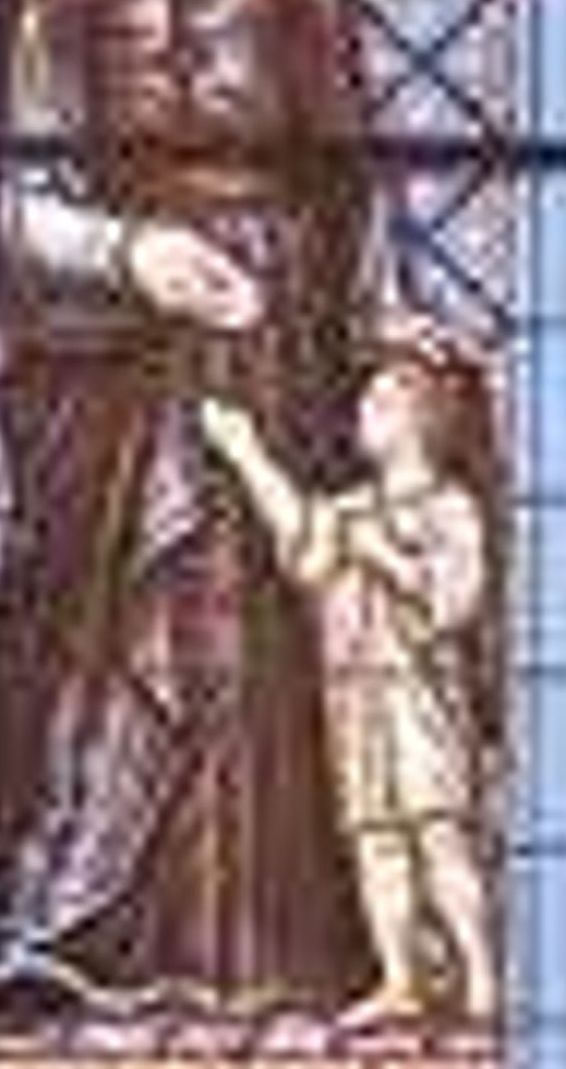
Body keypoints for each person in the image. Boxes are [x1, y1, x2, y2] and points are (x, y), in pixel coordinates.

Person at [0, 0, 388, 1035]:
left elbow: (346, 141)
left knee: (268, 614)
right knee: (136, 613)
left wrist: (369, 317)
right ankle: (76, 931)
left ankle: (280, 960)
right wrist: (134, 255)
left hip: (274, 312)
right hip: (113, 344)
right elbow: (11, 200)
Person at [200, 329, 505, 1032]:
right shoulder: (348, 508)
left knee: (440, 835)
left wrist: (382, 555)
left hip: (419, 696)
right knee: (376, 842)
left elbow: (452, 603)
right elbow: (303, 547)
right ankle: (399, 980)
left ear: (422, 420)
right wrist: (246, 454)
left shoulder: (449, 508)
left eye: (382, 400)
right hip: (354, 695)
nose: (364, 409)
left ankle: (483, 976)